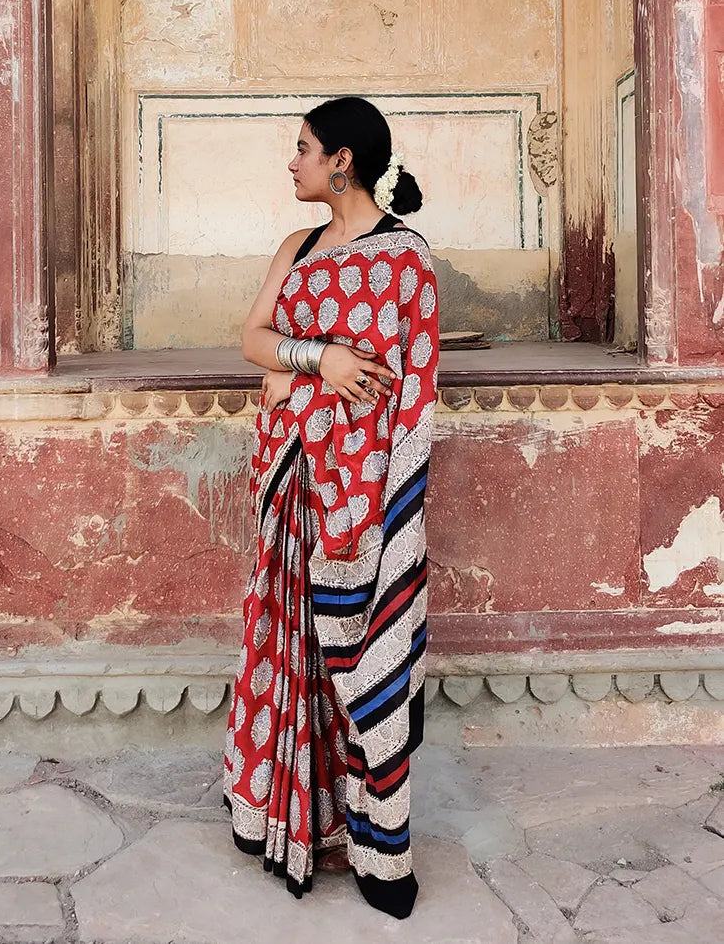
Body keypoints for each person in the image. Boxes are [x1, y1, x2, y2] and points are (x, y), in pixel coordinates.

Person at [223, 95, 439, 920]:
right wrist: (319, 361)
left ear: (342, 160)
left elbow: (407, 398)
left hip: (365, 498)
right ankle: (300, 820)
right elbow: (251, 339)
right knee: (293, 646)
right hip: (296, 488)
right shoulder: (299, 246)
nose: (294, 162)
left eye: (304, 148)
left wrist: (295, 381)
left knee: (366, 653)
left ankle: (378, 845)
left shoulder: (405, 261)